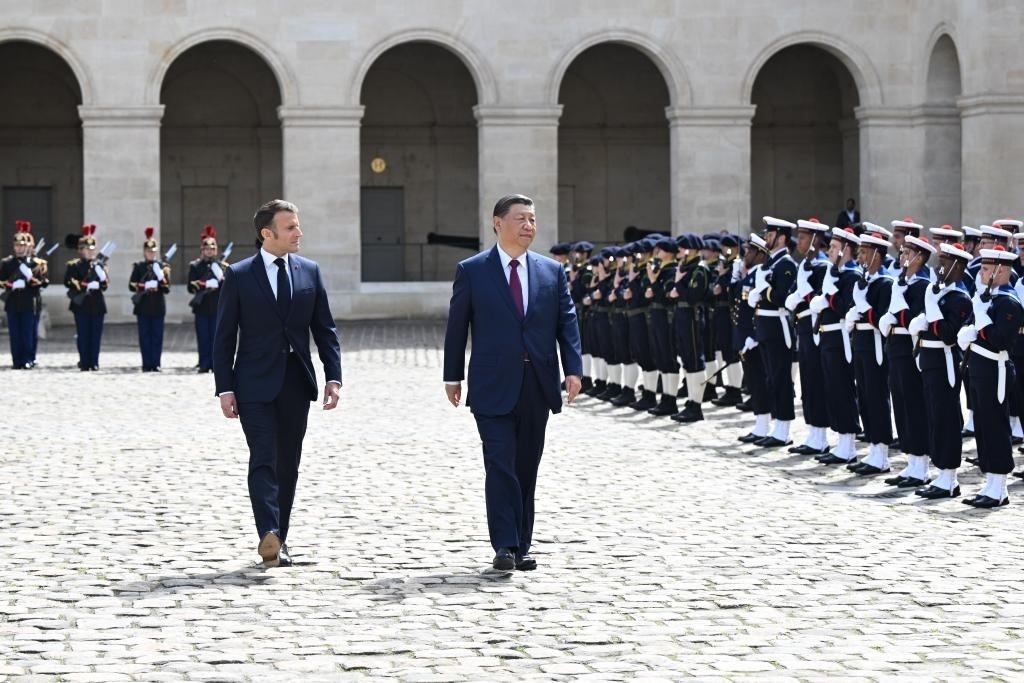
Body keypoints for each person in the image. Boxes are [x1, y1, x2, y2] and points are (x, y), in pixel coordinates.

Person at [443, 194, 582, 571]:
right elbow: (457, 327)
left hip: (537, 383)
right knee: (500, 462)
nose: (528, 226)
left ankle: (522, 545)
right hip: (491, 384)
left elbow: (566, 321)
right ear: (497, 223)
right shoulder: (472, 271)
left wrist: (573, 368)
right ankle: (504, 544)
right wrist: (452, 375)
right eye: (520, 218)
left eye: (532, 219)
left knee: (526, 467)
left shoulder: (551, 271)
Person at [213, 199, 342, 567]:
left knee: (288, 463)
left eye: (298, 225)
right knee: (263, 457)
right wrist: (225, 387)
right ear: (267, 233)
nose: (299, 232)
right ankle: (268, 532)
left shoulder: (310, 271)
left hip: (296, 383)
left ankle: (279, 540)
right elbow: (224, 337)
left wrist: (333, 377)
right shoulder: (239, 275)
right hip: (253, 384)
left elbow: (325, 330)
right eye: (290, 227)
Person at [957, 246, 1023, 507]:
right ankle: (990, 482)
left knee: (995, 426)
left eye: (986, 269)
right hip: (979, 367)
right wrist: (967, 332)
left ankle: (1000, 488)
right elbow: (972, 325)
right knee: (983, 427)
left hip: (995, 369)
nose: (981, 273)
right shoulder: (987, 297)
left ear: (1001, 271)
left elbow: (1001, 339)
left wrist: (982, 323)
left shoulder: (1009, 302)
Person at [908, 242, 973, 498]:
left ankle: (949, 479)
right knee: (934, 416)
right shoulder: (939, 291)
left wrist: (932, 311)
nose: (938, 267)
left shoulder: (959, 298)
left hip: (945, 362)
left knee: (946, 418)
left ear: (957, 266)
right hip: (930, 360)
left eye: (944, 262)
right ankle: (941, 474)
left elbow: (948, 335)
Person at [747, 217, 798, 447]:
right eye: (767, 234)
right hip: (765, 326)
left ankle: (783, 429)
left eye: (770, 234)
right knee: (770, 378)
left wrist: (764, 291)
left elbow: (783, 297)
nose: (766, 238)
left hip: (777, 326)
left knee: (780, 379)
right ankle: (775, 426)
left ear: (782, 238)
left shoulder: (785, 264)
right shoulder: (771, 263)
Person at [0, 221, 48, 369]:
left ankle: (27, 359)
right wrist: (12, 285)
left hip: (30, 302)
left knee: (28, 333)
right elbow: (1, 281)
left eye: (22, 245)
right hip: (13, 301)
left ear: (28, 246)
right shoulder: (7, 263)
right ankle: (17, 360)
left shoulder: (37, 263)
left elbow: (44, 282)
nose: (19, 248)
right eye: (17, 245)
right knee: (15, 334)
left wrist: (30, 278)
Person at [64, 224, 108, 371]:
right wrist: (84, 285)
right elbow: (68, 281)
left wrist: (101, 277)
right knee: (83, 335)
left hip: (97, 304)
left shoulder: (101, 265)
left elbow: (105, 285)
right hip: (81, 304)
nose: (90, 251)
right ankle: (84, 361)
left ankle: (94, 362)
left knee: (95, 335)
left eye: (92, 249)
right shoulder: (74, 265)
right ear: (80, 250)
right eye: (86, 249)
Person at [128, 227, 171, 372]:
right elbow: (131, 285)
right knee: (145, 337)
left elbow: (166, 288)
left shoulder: (162, 267)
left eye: (153, 252)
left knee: (157, 336)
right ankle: (146, 364)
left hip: (158, 306)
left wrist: (161, 278)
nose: (151, 254)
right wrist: (145, 285)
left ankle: (156, 363)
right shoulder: (139, 267)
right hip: (143, 306)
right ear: (144, 252)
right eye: (149, 251)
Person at [188, 225, 229, 373]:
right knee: (203, 337)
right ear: (202, 250)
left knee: (216, 338)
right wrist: (205, 285)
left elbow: (228, 288)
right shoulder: (195, 266)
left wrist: (220, 282)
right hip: (201, 306)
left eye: (212, 249)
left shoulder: (222, 266)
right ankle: (204, 364)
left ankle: (215, 364)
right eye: (207, 249)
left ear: (216, 250)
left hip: (217, 307)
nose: (209, 251)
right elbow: (190, 286)